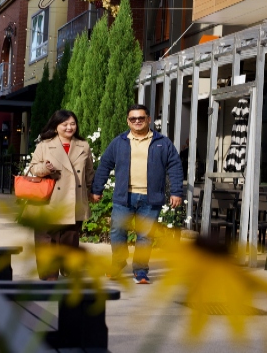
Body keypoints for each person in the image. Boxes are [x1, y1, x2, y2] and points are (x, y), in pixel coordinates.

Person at [91, 104, 183, 284]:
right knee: (117, 232)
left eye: (141, 118)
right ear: (128, 121)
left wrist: (176, 191)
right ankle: (118, 263)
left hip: (151, 198)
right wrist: (97, 189)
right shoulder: (119, 142)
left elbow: (175, 166)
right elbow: (104, 165)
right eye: (133, 119)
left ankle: (140, 270)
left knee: (145, 236)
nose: (137, 121)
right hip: (124, 197)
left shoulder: (162, 142)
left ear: (148, 119)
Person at [23, 109, 95, 280]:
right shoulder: (44, 145)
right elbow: (33, 168)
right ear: (56, 127)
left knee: (70, 237)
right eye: (65, 124)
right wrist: (45, 169)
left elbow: (89, 172)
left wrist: (91, 191)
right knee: (46, 239)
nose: (69, 127)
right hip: (48, 198)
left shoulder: (83, 145)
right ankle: (49, 273)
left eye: (72, 123)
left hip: (75, 198)